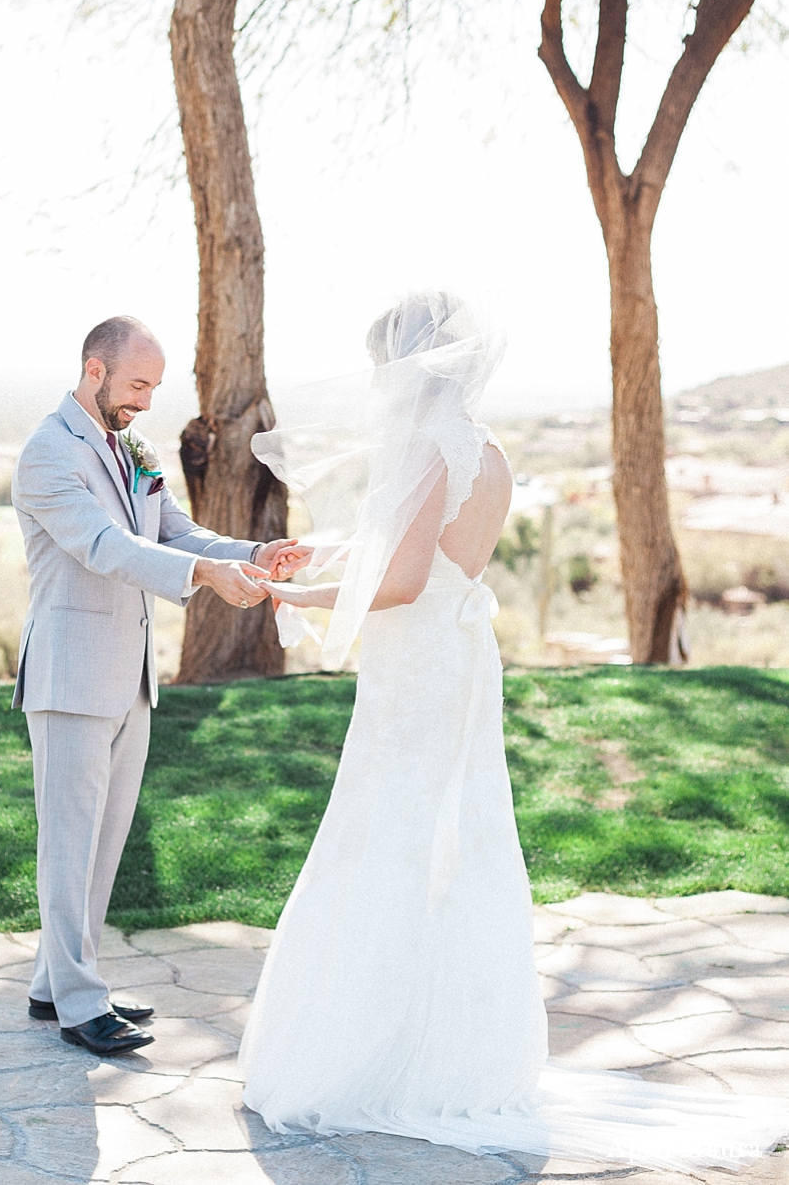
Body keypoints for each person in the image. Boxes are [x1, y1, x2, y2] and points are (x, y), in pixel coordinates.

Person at [240, 290, 789, 1170]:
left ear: (410, 363)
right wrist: (332, 555)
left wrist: (294, 593)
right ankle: (459, 1047)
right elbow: (419, 549)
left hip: (418, 664)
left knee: (386, 839)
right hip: (455, 659)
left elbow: (407, 576)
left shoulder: (424, 444)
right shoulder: (483, 445)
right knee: (454, 843)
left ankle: (372, 1054)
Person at [12, 315, 310, 1057]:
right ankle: (82, 1003)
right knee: (68, 844)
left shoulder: (133, 448)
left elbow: (173, 531)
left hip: (131, 678)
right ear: (94, 369)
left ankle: (56, 984)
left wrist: (251, 552)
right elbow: (105, 546)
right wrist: (205, 577)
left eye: (153, 386)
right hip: (71, 675)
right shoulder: (48, 452)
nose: (145, 401)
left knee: (103, 842)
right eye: (137, 384)